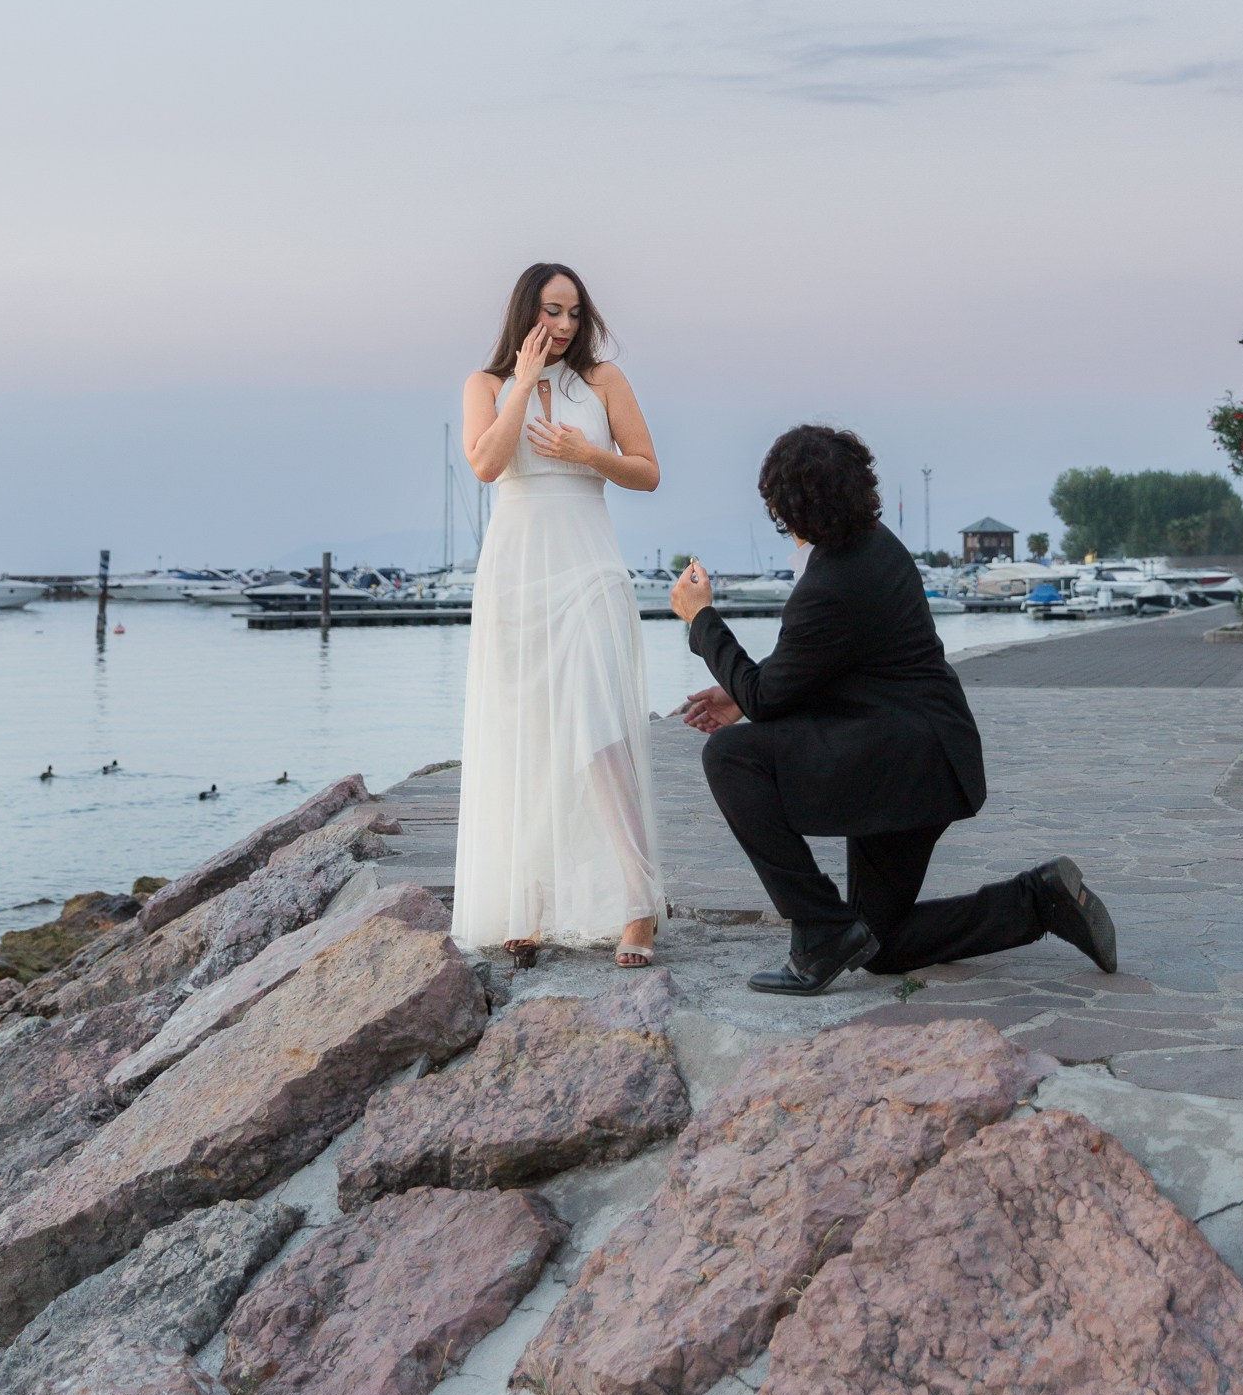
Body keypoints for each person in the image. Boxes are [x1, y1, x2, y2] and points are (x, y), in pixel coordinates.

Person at [672, 424, 1117, 995]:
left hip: (896, 762)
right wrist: (741, 692)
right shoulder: (873, 544)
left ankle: (819, 930)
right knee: (878, 945)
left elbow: (769, 696)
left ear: (790, 506)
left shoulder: (832, 580)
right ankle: (1038, 901)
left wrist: (700, 618)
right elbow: (823, 664)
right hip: (925, 758)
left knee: (732, 756)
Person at [453, 262, 664, 969]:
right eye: (552, 310)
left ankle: (638, 907)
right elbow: (485, 464)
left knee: (599, 731)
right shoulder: (484, 385)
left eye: (574, 311)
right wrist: (521, 384)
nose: (566, 325)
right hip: (515, 571)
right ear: (526, 312)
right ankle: (529, 900)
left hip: (587, 565)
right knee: (525, 732)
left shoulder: (603, 381)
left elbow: (646, 469)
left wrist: (587, 452)